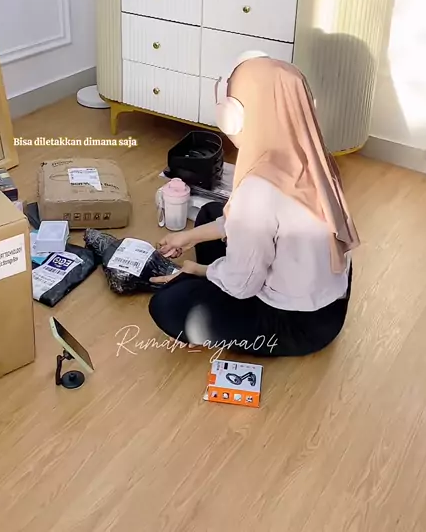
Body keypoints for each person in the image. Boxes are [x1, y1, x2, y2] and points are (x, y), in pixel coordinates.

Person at [148, 54, 359, 357]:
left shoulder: (259, 189)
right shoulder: (312, 155)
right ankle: (222, 271)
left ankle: (217, 303)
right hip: (330, 303)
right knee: (210, 213)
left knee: (168, 304)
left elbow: (243, 285)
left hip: (297, 323)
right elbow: (256, 221)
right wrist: (189, 236)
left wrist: (202, 271)